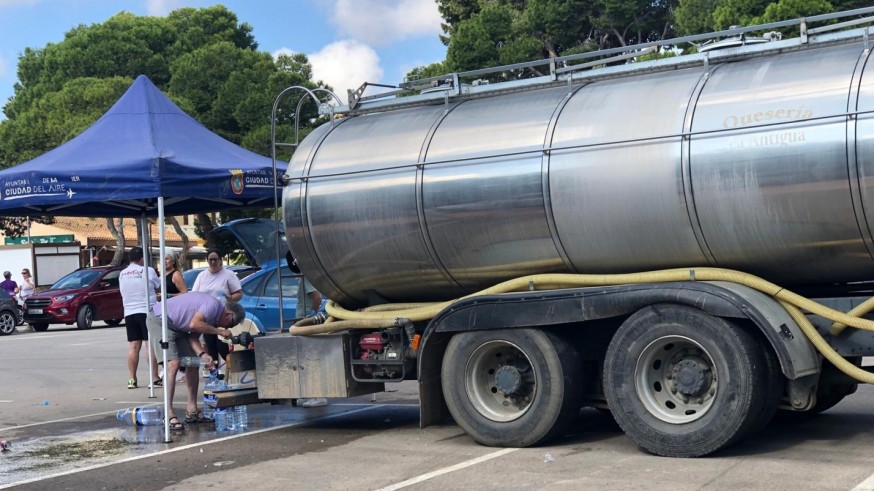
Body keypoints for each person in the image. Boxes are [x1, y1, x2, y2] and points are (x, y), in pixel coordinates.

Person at [146, 292, 245, 430]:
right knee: (173, 364)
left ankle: (192, 411)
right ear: (229, 314)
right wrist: (219, 332)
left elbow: (193, 337)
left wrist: (203, 354)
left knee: (193, 363)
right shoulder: (213, 306)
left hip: (176, 326)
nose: (227, 328)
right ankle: (169, 414)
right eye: (230, 324)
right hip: (160, 319)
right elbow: (194, 324)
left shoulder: (213, 318)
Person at [118, 246, 161, 389]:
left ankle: (132, 379)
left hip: (129, 312)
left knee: (134, 346)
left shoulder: (122, 274)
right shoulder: (148, 271)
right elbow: (158, 286)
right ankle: (154, 377)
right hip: (146, 310)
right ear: (142, 258)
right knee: (150, 345)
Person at [192, 248, 242, 365]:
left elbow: (239, 294)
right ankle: (214, 372)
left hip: (222, 315)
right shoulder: (202, 276)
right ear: (207, 261)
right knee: (210, 345)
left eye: (215, 259)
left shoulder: (228, 275)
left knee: (222, 345)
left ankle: (234, 365)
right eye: (210, 260)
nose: (213, 262)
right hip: (206, 315)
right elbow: (194, 294)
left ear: (220, 260)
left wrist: (230, 298)